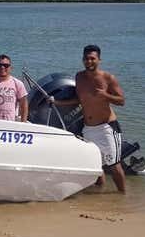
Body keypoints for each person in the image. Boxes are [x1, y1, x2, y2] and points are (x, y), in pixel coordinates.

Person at [51, 45, 126, 192]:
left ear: (99, 59)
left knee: (114, 165)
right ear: (82, 59)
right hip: (88, 128)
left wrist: (106, 96)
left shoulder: (108, 78)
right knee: (96, 164)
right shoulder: (79, 77)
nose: (89, 61)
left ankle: (122, 197)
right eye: (86, 58)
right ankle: (99, 193)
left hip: (107, 128)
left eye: (92, 58)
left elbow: (121, 101)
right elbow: (80, 100)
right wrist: (57, 102)